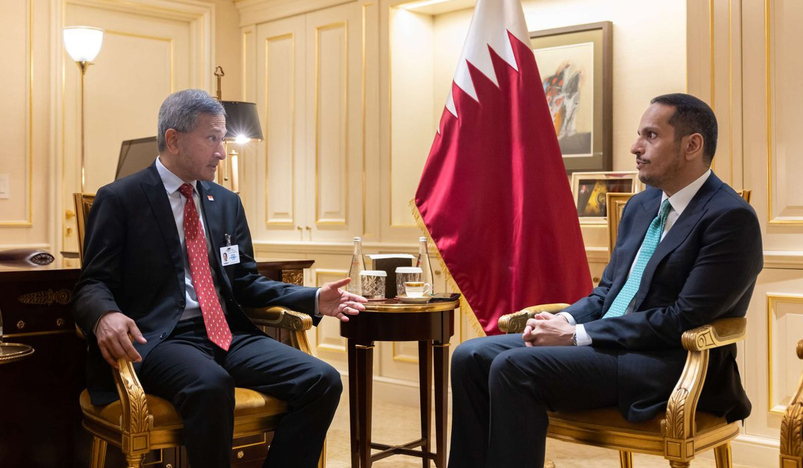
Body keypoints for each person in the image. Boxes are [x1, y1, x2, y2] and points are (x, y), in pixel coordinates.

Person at [447, 93, 763, 468]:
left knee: (514, 367)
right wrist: (565, 320)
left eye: (651, 135)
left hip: (664, 364)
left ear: (692, 145)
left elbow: (683, 318)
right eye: (639, 135)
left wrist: (578, 336)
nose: (636, 147)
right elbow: (610, 292)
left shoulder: (730, 218)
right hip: (608, 347)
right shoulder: (642, 205)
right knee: (470, 356)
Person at [72, 89, 367, 468]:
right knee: (211, 385)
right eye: (212, 138)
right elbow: (92, 282)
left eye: (222, 139)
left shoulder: (225, 202)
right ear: (174, 139)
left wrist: (311, 298)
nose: (222, 152)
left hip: (226, 334)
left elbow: (244, 281)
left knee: (321, 379)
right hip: (161, 338)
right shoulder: (120, 198)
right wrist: (104, 315)